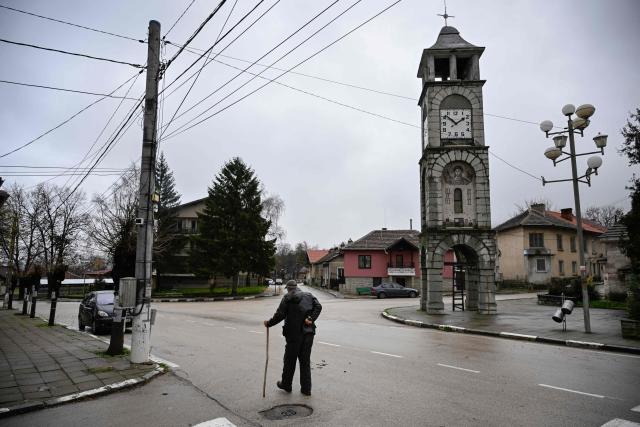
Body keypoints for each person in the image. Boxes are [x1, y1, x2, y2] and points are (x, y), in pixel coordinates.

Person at [264, 280, 322, 396]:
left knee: (289, 360)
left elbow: (280, 315)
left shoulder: (287, 298)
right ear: (296, 287)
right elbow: (318, 307)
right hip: (309, 334)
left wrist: (269, 323)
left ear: (289, 288)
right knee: (305, 361)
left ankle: (286, 384)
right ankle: (306, 389)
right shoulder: (309, 295)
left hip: (294, 335)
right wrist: (311, 319)